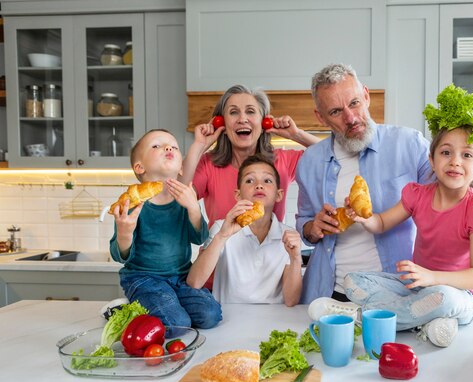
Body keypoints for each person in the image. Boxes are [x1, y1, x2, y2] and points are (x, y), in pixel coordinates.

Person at [337, 84, 473, 348]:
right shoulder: (418, 195)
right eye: (446, 152)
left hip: (460, 296)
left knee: (443, 298)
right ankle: (426, 319)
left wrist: (432, 277)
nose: (455, 161)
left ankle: (358, 317)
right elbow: (381, 223)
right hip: (418, 288)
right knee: (353, 282)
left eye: (467, 154)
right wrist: (363, 218)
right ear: (432, 158)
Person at [296, 63, 433, 304]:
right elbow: (304, 224)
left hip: (398, 292)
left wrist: (470, 146)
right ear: (321, 117)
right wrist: (313, 227)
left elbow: (448, 200)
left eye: (354, 103)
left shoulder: (409, 144)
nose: (350, 118)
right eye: (336, 111)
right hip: (331, 293)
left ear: (366, 96)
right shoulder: (309, 161)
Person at [109, 128, 222, 329]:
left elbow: (199, 237)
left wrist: (194, 208)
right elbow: (120, 255)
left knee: (210, 315)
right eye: (156, 146)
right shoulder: (131, 204)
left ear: (181, 169)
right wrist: (125, 232)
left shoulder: (184, 199)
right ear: (139, 167)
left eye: (174, 146)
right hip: (144, 278)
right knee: (177, 323)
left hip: (181, 277)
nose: (168, 147)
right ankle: (126, 313)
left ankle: (156, 307)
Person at [181, 84, 321, 227]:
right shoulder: (208, 164)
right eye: (233, 112)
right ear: (222, 124)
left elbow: (330, 156)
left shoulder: (283, 160)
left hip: (269, 248)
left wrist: (296, 135)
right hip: (221, 249)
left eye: (250, 111)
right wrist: (199, 145)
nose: (242, 119)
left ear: (263, 123)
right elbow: (177, 196)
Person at [186, 155, 303, 306]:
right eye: (249, 180)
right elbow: (194, 282)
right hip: (228, 319)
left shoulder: (288, 236)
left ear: (279, 195)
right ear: (238, 195)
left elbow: (291, 300)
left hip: (273, 319)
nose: (259, 185)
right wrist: (222, 236)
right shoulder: (221, 228)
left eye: (267, 181)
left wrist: (295, 258)